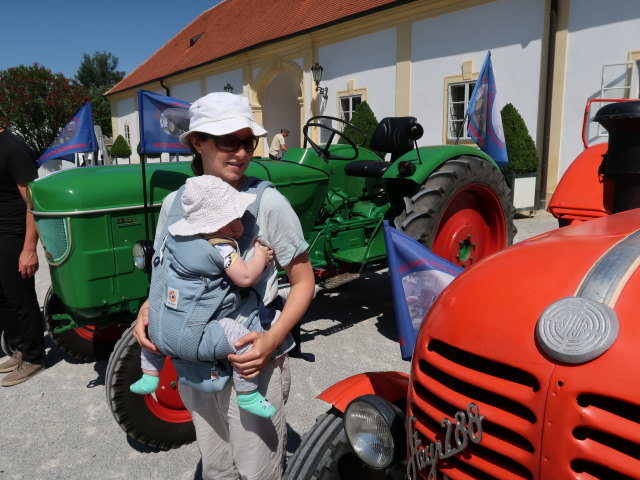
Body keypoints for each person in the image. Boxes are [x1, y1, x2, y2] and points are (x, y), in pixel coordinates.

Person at [133, 92, 315, 480]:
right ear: (198, 142)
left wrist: (272, 339)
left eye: (247, 141)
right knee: (215, 466)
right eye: (227, 141)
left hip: (253, 365)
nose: (241, 153)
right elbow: (165, 272)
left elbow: (304, 281)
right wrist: (147, 310)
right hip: (192, 363)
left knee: (259, 471)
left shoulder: (268, 204)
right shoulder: (174, 205)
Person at [130, 174, 277, 418]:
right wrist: (261, 255)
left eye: (239, 220)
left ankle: (150, 375)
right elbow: (245, 277)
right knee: (243, 341)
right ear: (210, 225)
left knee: (153, 328)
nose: (239, 228)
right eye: (231, 223)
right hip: (197, 337)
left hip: (166, 330)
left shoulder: (175, 238)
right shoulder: (221, 248)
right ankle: (248, 394)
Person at [0, 127, 45, 387]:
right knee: (2, 298)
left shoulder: (13, 147)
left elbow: (33, 203)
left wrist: (29, 248)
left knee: (19, 296)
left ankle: (34, 356)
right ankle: (19, 347)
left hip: (13, 234)